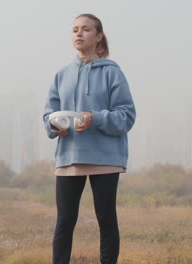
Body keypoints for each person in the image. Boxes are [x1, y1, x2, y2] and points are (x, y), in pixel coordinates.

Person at [43, 14, 136, 264]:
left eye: (85, 29)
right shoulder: (61, 75)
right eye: (74, 30)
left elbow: (126, 116)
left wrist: (95, 118)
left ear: (98, 36)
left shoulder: (113, 73)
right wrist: (54, 126)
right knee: (64, 221)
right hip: (68, 157)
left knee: (106, 218)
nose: (78, 34)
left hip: (105, 158)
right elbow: (47, 115)